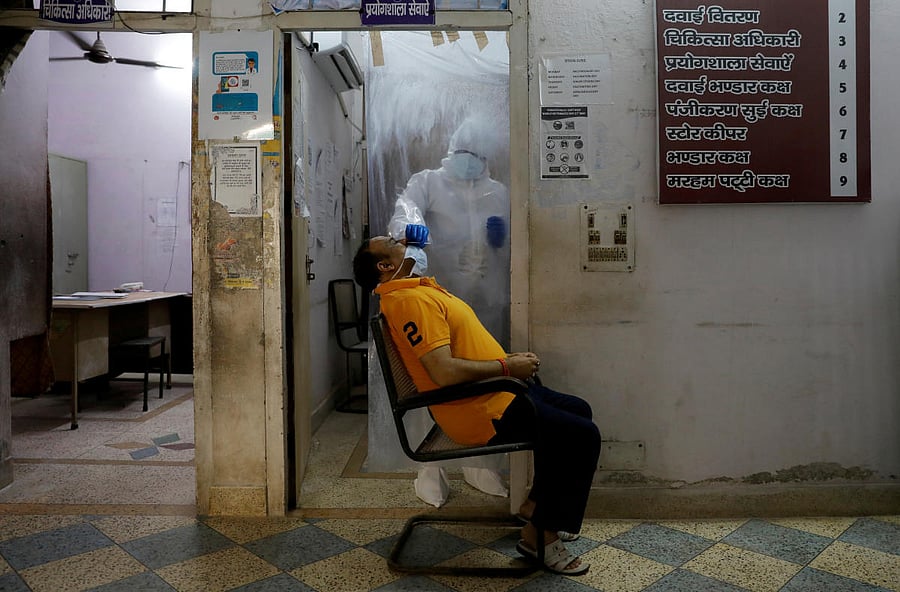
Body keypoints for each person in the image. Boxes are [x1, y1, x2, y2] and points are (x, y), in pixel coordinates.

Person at [353, 236, 601, 576]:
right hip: (478, 409)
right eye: (394, 241)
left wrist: (507, 364)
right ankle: (539, 534)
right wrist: (506, 368)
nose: (405, 240)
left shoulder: (418, 291)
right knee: (581, 435)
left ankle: (537, 506)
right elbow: (443, 371)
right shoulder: (408, 301)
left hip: (496, 392)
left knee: (578, 410)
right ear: (384, 266)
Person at [386, 116, 512, 503]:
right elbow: (405, 210)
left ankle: (477, 459)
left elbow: (515, 245)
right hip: (438, 300)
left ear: (487, 156)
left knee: (480, 379)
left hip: (485, 301)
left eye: (475, 153)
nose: (467, 159)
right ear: (450, 149)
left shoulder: (499, 192)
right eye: (462, 151)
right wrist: (412, 229)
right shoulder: (428, 182)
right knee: (431, 379)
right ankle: (430, 467)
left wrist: (501, 237)